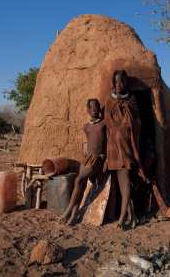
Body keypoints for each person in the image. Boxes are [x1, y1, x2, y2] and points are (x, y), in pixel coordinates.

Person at [104, 69, 149, 230]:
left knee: (125, 181)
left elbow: (136, 120)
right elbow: (107, 119)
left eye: (122, 81)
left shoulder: (132, 100)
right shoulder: (109, 101)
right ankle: (134, 217)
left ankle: (123, 218)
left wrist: (123, 130)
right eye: (116, 82)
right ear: (113, 82)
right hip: (113, 146)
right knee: (122, 184)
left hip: (126, 145)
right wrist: (118, 131)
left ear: (126, 83)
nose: (119, 85)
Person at [59, 98, 106, 226]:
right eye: (90, 107)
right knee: (82, 185)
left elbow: (107, 142)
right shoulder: (86, 127)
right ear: (87, 110)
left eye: (96, 106)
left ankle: (68, 210)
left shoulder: (104, 124)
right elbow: (90, 142)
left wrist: (106, 159)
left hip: (98, 158)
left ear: (99, 108)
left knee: (79, 179)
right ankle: (74, 216)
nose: (93, 109)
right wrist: (86, 152)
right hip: (87, 158)